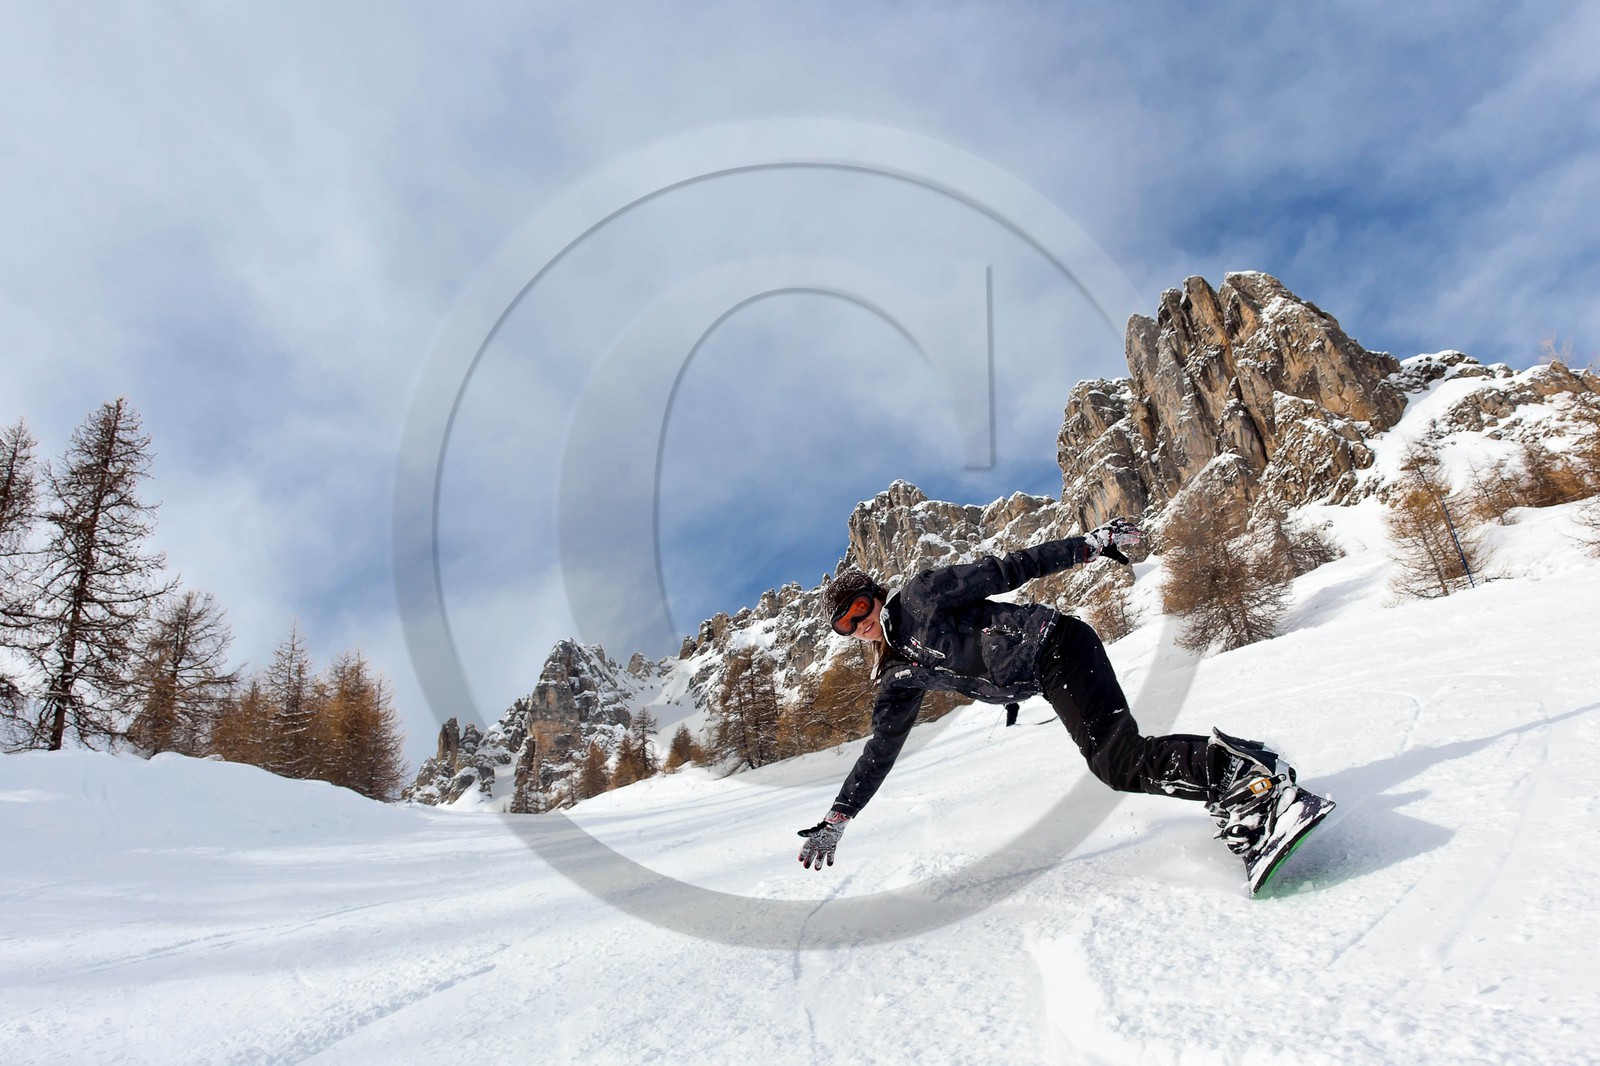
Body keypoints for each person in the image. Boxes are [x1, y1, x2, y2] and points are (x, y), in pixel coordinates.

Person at [796, 517, 1331, 893]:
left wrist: (1091, 545)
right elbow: (881, 751)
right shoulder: (895, 677)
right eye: (846, 623)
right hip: (1045, 671)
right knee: (1119, 761)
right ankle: (1249, 784)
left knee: (1116, 762)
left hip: (1054, 643)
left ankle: (1252, 784)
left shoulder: (920, 597)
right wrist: (839, 816)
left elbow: (1010, 568)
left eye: (861, 606)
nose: (859, 621)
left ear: (876, 594)